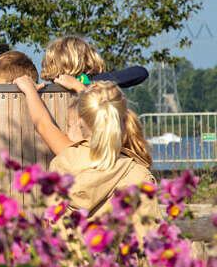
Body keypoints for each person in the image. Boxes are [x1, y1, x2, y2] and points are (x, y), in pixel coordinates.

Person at [14, 75, 161, 242]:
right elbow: (150, 242)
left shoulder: (63, 163)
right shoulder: (139, 175)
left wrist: (29, 90)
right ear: (124, 120)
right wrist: (82, 89)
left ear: (80, 120)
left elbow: (43, 124)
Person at [40, 35, 148, 88]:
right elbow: (140, 73)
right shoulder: (94, 81)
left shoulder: (48, 90)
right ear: (88, 58)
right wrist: (93, 83)